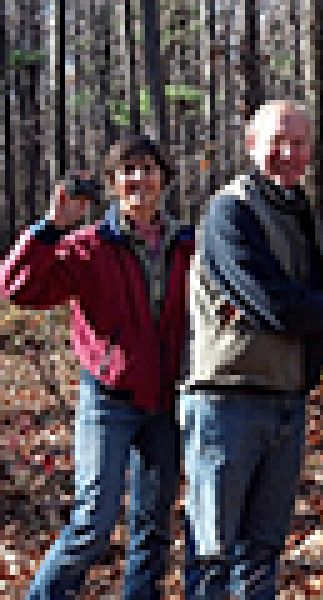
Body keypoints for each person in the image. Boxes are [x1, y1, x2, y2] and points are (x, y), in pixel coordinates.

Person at [180, 99, 323, 599]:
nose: (288, 152)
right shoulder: (229, 213)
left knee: (260, 552)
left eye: (298, 143)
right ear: (252, 144)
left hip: (284, 402)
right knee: (213, 554)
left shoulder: (298, 212)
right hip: (226, 403)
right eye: (277, 140)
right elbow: (277, 307)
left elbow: (308, 294)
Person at [0, 135, 193, 599]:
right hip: (109, 400)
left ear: (163, 179)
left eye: (148, 168)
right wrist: (51, 226)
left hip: (166, 401)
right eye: (128, 170)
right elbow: (18, 288)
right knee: (93, 521)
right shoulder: (89, 246)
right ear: (112, 183)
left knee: (152, 527)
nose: (139, 179)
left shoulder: (187, 244)